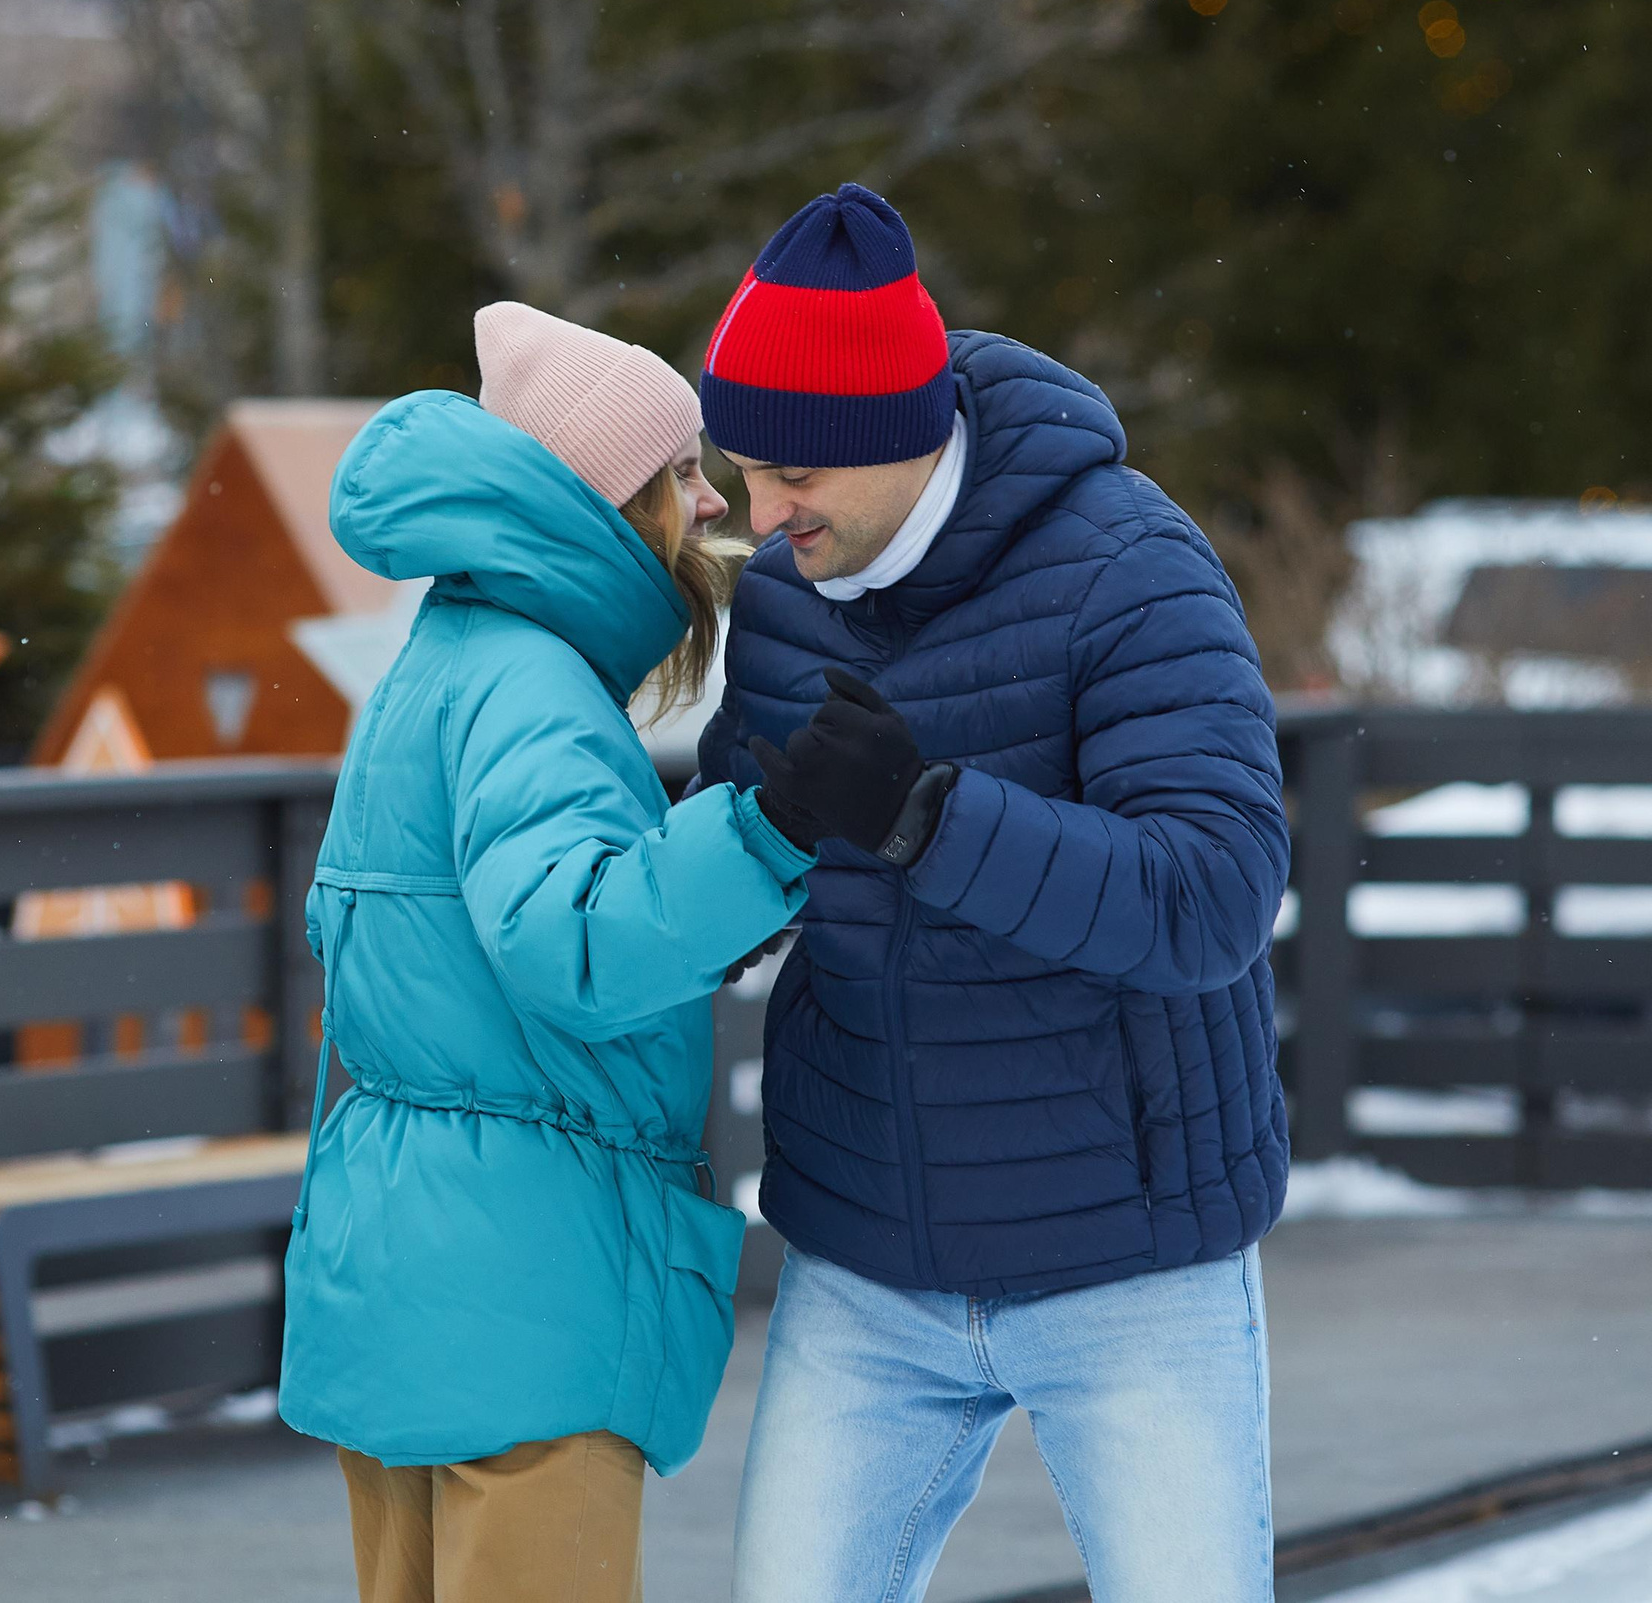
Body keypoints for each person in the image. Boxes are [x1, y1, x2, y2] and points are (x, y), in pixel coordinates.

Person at [693, 184, 1290, 1602]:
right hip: (865, 1262)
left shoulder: (1131, 569)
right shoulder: (780, 597)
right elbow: (739, 878)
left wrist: (931, 819)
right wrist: (711, 868)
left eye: (794, 474)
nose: (763, 516)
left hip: (1130, 1261)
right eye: (744, 470)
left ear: (896, 432)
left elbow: (1211, 897)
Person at [280, 301, 820, 1603]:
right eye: (680, 473)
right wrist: (772, 833)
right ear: (604, 504)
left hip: (412, 1252)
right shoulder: (532, 684)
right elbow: (574, 941)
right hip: (526, 1278)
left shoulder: (451, 654)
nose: (712, 503)